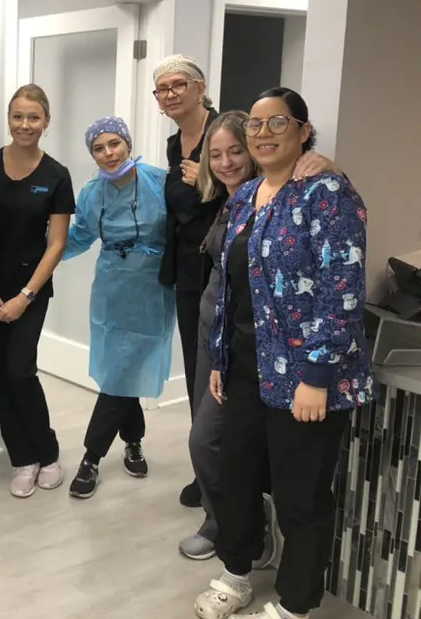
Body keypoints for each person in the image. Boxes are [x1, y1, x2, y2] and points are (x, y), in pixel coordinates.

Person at [193, 88, 371, 619]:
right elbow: (232, 285)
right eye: (256, 125)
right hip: (247, 368)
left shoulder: (327, 193)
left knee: (300, 496)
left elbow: (341, 287)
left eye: (278, 123)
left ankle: (296, 602)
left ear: (303, 131)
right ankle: (238, 567)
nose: (264, 134)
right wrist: (222, 358)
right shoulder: (246, 196)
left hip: (307, 376)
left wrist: (317, 373)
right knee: (235, 474)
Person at [179, 113, 340, 563]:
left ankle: (243, 525)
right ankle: (229, 524)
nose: (227, 161)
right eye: (217, 155)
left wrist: (326, 165)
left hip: (270, 340)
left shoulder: (286, 195)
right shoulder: (233, 200)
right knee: (213, 438)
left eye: (236, 151)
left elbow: (333, 274)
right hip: (217, 325)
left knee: (214, 440)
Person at [61, 116, 175, 499]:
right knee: (119, 370)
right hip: (112, 289)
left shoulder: (159, 182)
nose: (108, 154)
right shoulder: (93, 192)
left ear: (128, 143)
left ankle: (91, 457)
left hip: (153, 289)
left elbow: (183, 226)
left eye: (114, 144)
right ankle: (133, 442)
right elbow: (78, 236)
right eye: (98, 148)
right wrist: (39, 255)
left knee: (127, 370)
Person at [0, 84, 75, 498]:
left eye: (34, 117)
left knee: (20, 371)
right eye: (18, 116)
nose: (25, 125)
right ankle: (22, 457)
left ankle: (47, 453)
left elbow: (57, 243)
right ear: (9, 119)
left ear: (46, 122)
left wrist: (25, 296)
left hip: (30, 291)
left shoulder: (56, 175)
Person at [153, 54, 223, 509]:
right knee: (196, 372)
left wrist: (212, 183)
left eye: (180, 84)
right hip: (186, 269)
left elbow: (253, 193)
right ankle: (206, 471)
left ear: (200, 88)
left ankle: (224, 471)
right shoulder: (174, 144)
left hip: (222, 271)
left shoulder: (227, 136)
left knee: (219, 374)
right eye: (163, 89)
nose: (171, 94)